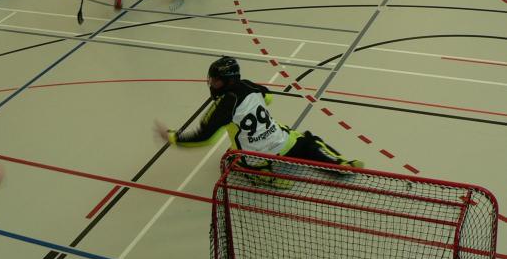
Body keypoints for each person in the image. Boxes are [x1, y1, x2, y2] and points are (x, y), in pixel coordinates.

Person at [155, 56, 364, 171]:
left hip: (254, 156)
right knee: (310, 142)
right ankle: (342, 165)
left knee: (233, 161)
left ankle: (267, 173)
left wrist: (173, 137)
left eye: (215, 80)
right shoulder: (249, 85)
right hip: (282, 141)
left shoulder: (222, 106)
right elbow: (269, 97)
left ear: (227, 81)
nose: (212, 84)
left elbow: (204, 138)